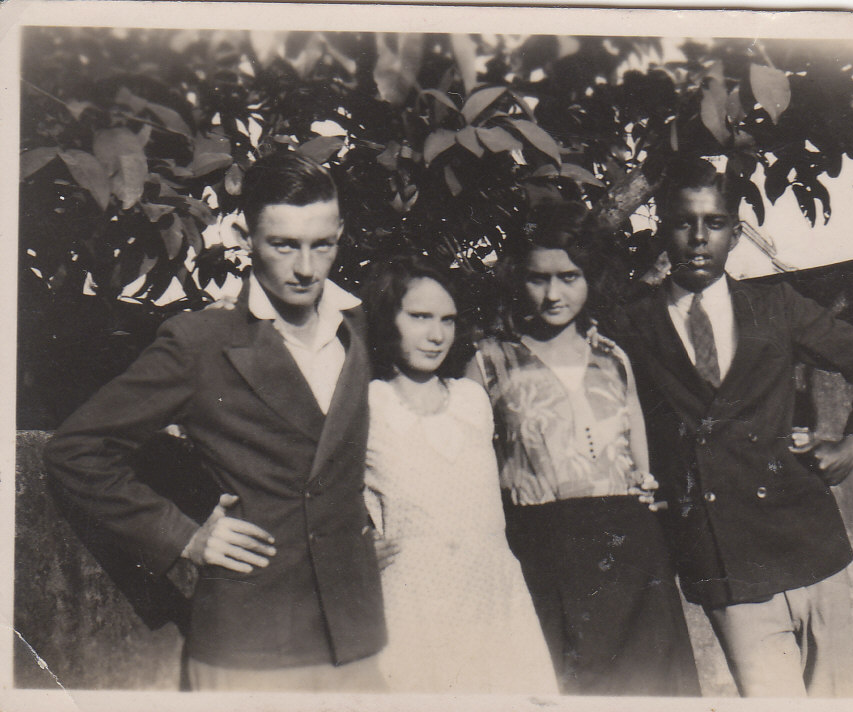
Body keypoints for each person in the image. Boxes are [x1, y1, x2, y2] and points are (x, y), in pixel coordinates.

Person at [43, 152, 387, 691]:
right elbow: (76, 450)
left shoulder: (360, 327)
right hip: (249, 640)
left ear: (340, 230)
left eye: (323, 244)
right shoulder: (198, 341)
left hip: (356, 635)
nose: (306, 267)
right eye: (284, 245)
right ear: (247, 235)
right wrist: (182, 536)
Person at [608, 158, 853, 697]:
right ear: (661, 229)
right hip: (722, 557)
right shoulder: (630, 326)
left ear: (737, 232)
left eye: (716, 223)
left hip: (808, 537)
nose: (699, 238)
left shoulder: (776, 307)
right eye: (683, 222)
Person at [470, 201, 701, 697]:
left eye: (569, 276)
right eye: (538, 278)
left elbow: (639, 454)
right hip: (542, 547)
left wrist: (647, 488)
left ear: (590, 277)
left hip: (631, 550)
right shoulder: (488, 361)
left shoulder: (613, 356)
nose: (554, 293)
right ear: (518, 279)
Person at [360, 256, 558, 694]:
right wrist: (358, 544)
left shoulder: (471, 398)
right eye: (419, 318)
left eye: (447, 320)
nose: (436, 335)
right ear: (385, 319)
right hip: (413, 601)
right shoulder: (367, 403)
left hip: (491, 593)